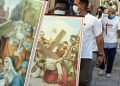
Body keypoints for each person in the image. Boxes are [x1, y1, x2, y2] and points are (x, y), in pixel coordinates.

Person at [73, 0, 104, 86]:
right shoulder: (73, 18)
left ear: (82, 6)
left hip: (87, 55)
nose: (73, 6)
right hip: (75, 55)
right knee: (73, 79)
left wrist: (101, 54)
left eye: (75, 4)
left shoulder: (93, 20)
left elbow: (99, 38)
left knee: (84, 81)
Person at [99, 7, 120, 78]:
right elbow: (100, 28)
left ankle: (108, 71)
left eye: (112, 12)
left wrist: (118, 40)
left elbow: (119, 30)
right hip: (104, 41)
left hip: (113, 42)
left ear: (114, 13)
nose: (110, 13)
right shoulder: (104, 20)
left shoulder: (118, 19)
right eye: (109, 12)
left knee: (111, 58)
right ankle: (101, 68)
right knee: (102, 56)